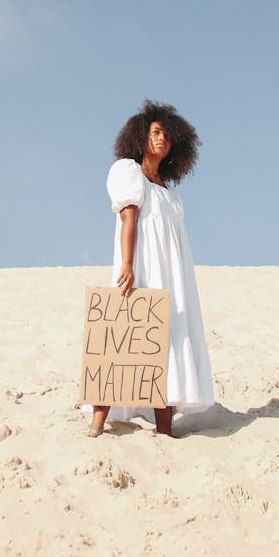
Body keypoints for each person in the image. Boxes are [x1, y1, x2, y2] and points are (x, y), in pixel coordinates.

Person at [86, 100, 215, 438]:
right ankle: (98, 421)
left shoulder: (172, 195)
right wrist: (127, 264)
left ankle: (165, 429)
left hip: (172, 273)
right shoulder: (128, 173)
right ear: (141, 136)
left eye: (167, 135)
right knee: (122, 336)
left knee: (167, 339)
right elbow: (129, 217)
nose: (162, 139)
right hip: (141, 264)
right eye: (156, 133)